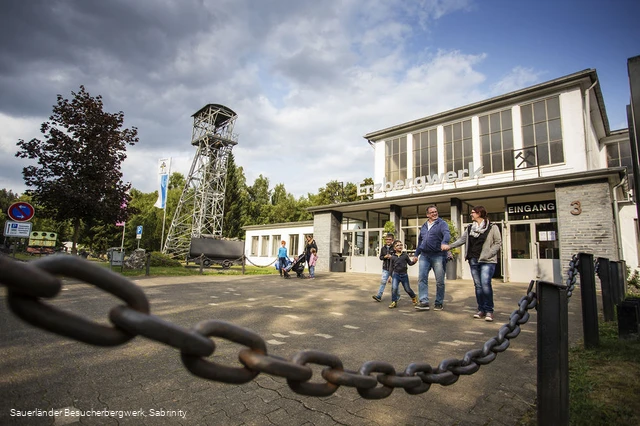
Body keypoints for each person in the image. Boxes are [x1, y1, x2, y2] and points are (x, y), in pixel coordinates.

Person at [443, 205, 502, 321]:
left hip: (487, 260)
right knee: (478, 286)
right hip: (473, 260)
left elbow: (497, 243)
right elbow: (462, 240)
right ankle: (481, 309)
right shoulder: (470, 228)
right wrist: (449, 246)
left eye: (473, 212)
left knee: (485, 284)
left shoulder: (492, 227)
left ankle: (489, 310)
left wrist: (489, 254)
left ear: (479, 214)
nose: (471, 214)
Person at [413, 205, 450, 311]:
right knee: (422, 278)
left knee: (439, 281)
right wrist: (416, 254)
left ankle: (439, 302)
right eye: (432, 212)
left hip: (438, 255)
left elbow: (446, 234)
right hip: (424, 255)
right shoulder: (424, 226)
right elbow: (420, 241)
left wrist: (444, 242)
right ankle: (424, 301)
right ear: (427, 214)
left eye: (436, 211)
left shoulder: (442, 224)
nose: (434, 213)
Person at [388, 240, 418, 309]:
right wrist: (390, 276)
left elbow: (410, 263)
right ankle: (394, 302)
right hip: (396, 275)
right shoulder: (392, 257)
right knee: (394, 288)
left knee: (407, 289)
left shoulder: (405, 255)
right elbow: (391, 267)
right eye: (397, 245)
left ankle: (414, 297)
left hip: (404, 275)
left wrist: (414, 261)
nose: (400, 246)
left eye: (401, 245)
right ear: (394, 248)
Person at [372, 233, 395, 302]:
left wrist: (392, 257)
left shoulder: (394, 248)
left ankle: (397, 296)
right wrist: (384, 257)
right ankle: (379, 296)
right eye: (386, 239)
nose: (388, 241)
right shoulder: (383, 248)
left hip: (393, 268)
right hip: (385, 268)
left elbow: (397, 257)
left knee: (394, 284)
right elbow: (381, 257)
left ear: (392, 240)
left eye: (389, 239)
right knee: (383, 282)